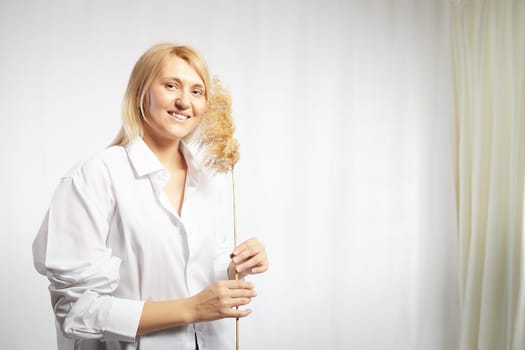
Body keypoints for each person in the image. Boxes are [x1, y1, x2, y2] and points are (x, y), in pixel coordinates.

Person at [32, 42, 268, 350]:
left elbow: (196, 266)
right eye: (171, 86)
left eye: (197, 91)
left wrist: (235, 267)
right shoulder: (94, 175)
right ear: (143, 92)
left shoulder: (209, 181)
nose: (184, 101)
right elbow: (77, 312)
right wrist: (192, 308)